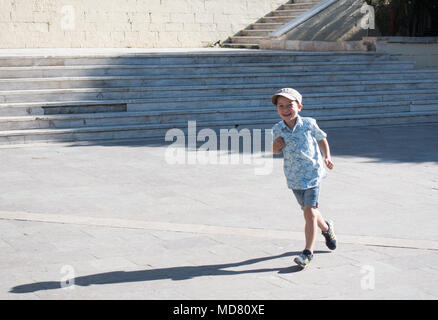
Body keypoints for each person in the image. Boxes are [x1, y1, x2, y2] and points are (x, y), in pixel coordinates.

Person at [271, 88, 337, 269]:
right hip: (294, 177)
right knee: (310, 213)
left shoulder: (308, 124)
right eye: (281, 106)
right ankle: (326, 229)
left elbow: (321, 138)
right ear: (277, 109)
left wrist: (327, 156)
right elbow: (276, 152)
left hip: (313, 174)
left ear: (299, 106)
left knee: (309, 213)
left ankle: (307, 253)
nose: (285, 109)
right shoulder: (277, 129)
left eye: (289, 105)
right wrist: (275, 147)